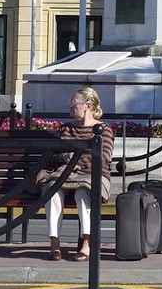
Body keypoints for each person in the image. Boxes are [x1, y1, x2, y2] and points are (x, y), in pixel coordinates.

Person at [44, 85, 114, 262]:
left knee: (83, 193)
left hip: (92, 176)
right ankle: (54, 243)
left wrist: (74, 164)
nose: (69, 105)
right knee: (52, 192)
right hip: (64, 176)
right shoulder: (66, 129)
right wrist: (63, 158)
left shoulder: (103, 129)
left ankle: (87, 244)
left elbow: (103, 157)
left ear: (87, 106)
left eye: (73, 102)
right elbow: (49, 158)